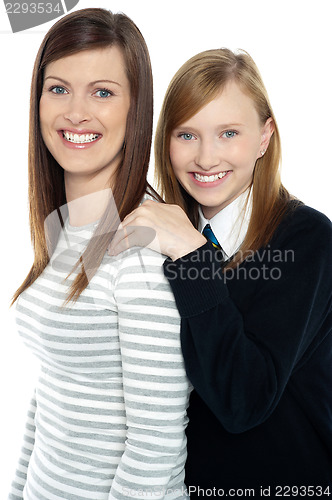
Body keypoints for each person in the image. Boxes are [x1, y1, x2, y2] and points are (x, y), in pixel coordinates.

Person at [109, 48, 332, 493]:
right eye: (186, 135)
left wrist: (193, 258)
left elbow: (242, 401)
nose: (206, 158)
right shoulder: (167, 232)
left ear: (265, 137)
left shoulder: (307, 239)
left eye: (228, 133)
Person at [8, 8, 191, 500]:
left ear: (136, 109)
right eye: (58, 88)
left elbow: (156, 447)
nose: (75, 112)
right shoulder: (66, 225)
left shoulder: (141, 248)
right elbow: (52, 392)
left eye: (103, 92)